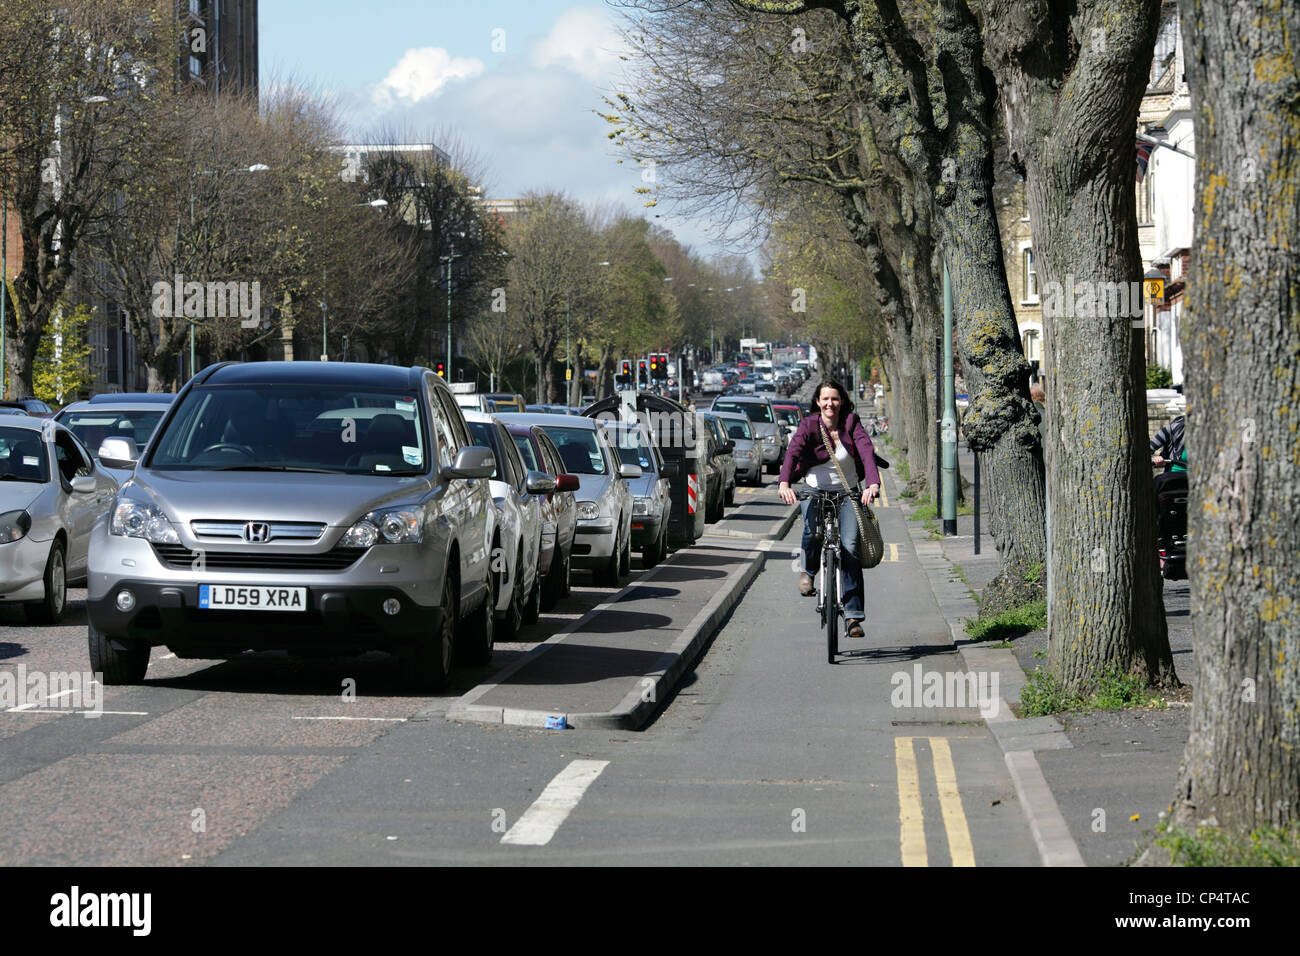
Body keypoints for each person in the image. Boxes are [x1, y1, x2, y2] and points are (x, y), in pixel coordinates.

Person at [778, 379, 881, 639]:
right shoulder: (809, 425)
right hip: (814, 489)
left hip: (847, 493)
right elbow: (793, 451)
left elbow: (867, 452)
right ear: (817, 402)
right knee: (813, 533)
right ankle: (808, 572)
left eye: (834, 399)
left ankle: (853, 617)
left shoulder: (851, 422)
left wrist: (872, 484)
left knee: (849, 546)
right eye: (825, 399)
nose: (830, 404)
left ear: (842, 401)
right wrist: (784, 482)